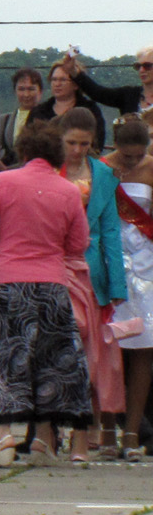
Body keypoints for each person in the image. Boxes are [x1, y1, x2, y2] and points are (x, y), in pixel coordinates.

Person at [0, 122, 94, 466]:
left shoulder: (4, 181)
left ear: (23, 151)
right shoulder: (69, 190)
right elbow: (78, 243)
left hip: (8, 280)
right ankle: (43, 440)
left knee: (5, 356)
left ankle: (5, 438)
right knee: (52, 360)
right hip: (52, 283)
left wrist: (9, 242)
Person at [58, 108, 126, 460]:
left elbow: (112, 230)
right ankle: (53, 429)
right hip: (57, 271)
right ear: (60, 139)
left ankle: (87, 429)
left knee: (94, 357)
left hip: (95, 273)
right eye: (71, 142)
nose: (78, 150)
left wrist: (117, 284)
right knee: (61, 352)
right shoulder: (48, 170)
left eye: (85, 144)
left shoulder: (103, 173)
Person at [103, 117, 153, 458]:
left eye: (139, 156)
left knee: (143, 348)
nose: (133, 162)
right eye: (128, 156)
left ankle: (132, 432)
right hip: (108, 266)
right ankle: (106, 430)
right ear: (115, 146)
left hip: (146, 268)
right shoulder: (102, 169)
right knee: (109, 349)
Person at [69, 47, 153, 133]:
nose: (142, 70)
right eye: (138, 66)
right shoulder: (129, 95)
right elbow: (98, 93)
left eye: (147, 66)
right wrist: (75, 73)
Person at [40, 57, 105, 146]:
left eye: (63, 80)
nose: (57, 84)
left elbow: (98, 142)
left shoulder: (91, 110)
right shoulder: (39, 111)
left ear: (76, 84)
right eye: (54, 79)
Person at [0, 67, 44, 164]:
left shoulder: (47, 118)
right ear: (15, 91)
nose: (26, 94)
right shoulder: (4, 120)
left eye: (31, 89)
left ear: (40, 92)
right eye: (21, 89)